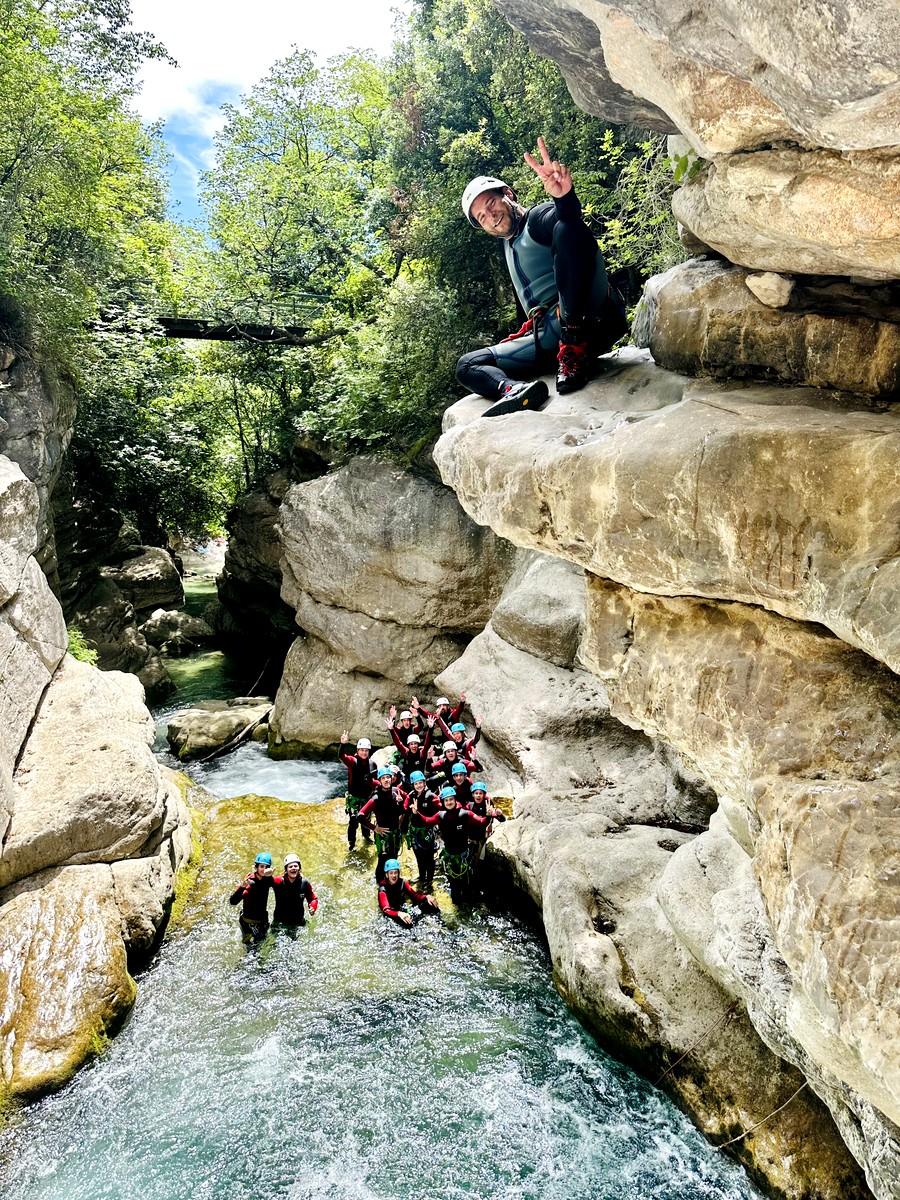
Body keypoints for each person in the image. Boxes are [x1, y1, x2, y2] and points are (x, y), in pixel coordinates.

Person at [456, 135, 627, 417]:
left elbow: (566, 221)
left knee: (568, 229)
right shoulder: (508, 247)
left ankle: (574, 346)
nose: (490, 216)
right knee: (467, 366)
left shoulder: (535, 220)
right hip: (550, 338)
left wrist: (564, 198)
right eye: (482, 217)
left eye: (490, 205)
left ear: (508, 195)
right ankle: (514, 390)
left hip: (590, 317)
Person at [414, 786, 498, 903]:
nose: (449, 802)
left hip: (464, 856)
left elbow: (482, 822)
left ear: (455, 800)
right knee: (454, 888)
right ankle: (458, 904)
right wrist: (416, 813)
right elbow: (427, 821)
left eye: (451, 799)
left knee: (467, 885)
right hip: (450, 857)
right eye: (446, 800)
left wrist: (488, 815)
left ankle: (469, 904)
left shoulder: (465, 814)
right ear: (443, 802)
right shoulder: (440, 815)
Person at [358, 766, 406, 882]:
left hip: (395, 833)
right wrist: (374, 828)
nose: (386, 780)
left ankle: (392, 882)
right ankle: (380, 885)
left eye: (388, 777)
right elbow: (360, 815)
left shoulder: (396, 791)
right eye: (383, 778)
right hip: (383, 835)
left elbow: (404, 808)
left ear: (392, 779)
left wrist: (401, 803)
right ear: (379, 780)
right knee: (382, 860)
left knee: (394, 859)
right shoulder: (376, 798)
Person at [339, 731, 376, 848]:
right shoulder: (352, 761)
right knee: (354, 821)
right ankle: (352, 842)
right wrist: (343, 745)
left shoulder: (372, 764)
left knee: (366, 820)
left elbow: (374, 780)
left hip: (366, 797)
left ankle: (366, 836)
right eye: (362, 750)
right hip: (354, 797)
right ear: (358, 750)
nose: (364, 752)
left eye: (366, 750)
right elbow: (341, 756)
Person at [377, 859, 440, 928]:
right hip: (393, 914)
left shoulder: (403, 882)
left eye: (396, 872)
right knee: (408, 924)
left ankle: (441, 925)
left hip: (402, 909)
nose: (394, 875)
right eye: (391, 873)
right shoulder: (382, 889)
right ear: (386, 875)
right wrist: (399, 913)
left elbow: (414, 896)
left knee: (430, 904)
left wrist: (427, 896)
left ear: (398, 873)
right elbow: (386, 910)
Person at [404, 770, 441, 887]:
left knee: (429, 857)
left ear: (424, 783)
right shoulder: (411, 795)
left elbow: (441, 809)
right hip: (415, 831)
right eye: (416, 784)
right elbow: (404, 808)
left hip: (427, 831)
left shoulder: (431, 796)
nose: (419, 785)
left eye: (421, 783)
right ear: (413, 785)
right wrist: (406, 806)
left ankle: (429, 880)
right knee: (419, 856)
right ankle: (422, 877)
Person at [229, 851, 274, 942]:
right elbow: (233, 902)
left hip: (262, 922)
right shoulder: (250, 882)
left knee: (261, 943)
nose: (264, 869)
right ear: (256, 867)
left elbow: (279, 883)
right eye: (261, 866)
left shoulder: (268, 879)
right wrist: (242, 887)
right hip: (247, 922)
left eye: (266, 867)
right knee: (249, 947)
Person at [271, 854, 319, 926]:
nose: (293, 868)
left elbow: (312, 898)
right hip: (279, 921)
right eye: (290, 867)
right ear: (286, 870)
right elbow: (265, 884)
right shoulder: (279, 881)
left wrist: (313, 907)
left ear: (299, 868)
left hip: (298, 921)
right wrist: (267, 876)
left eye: (296, 866)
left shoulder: (304, 883)